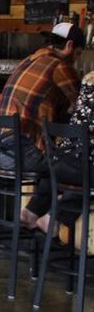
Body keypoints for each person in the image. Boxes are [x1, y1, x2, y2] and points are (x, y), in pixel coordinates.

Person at [1, 22, 85, 228]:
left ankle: (31, 213)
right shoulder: (61, 67)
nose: (77, 58)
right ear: (70, 45)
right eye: (78, 53)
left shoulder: (29, 59)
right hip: (25, 153)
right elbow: (83, 107)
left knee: (60, 161)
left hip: (0, 150)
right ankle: (54, 219)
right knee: (84, 169)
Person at [27, 72, 94, 234]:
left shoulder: (89, 80)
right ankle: (54, 218)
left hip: (60, 162)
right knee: (86, 174)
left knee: (67, 168)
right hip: (81, 169)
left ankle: (31, 211)